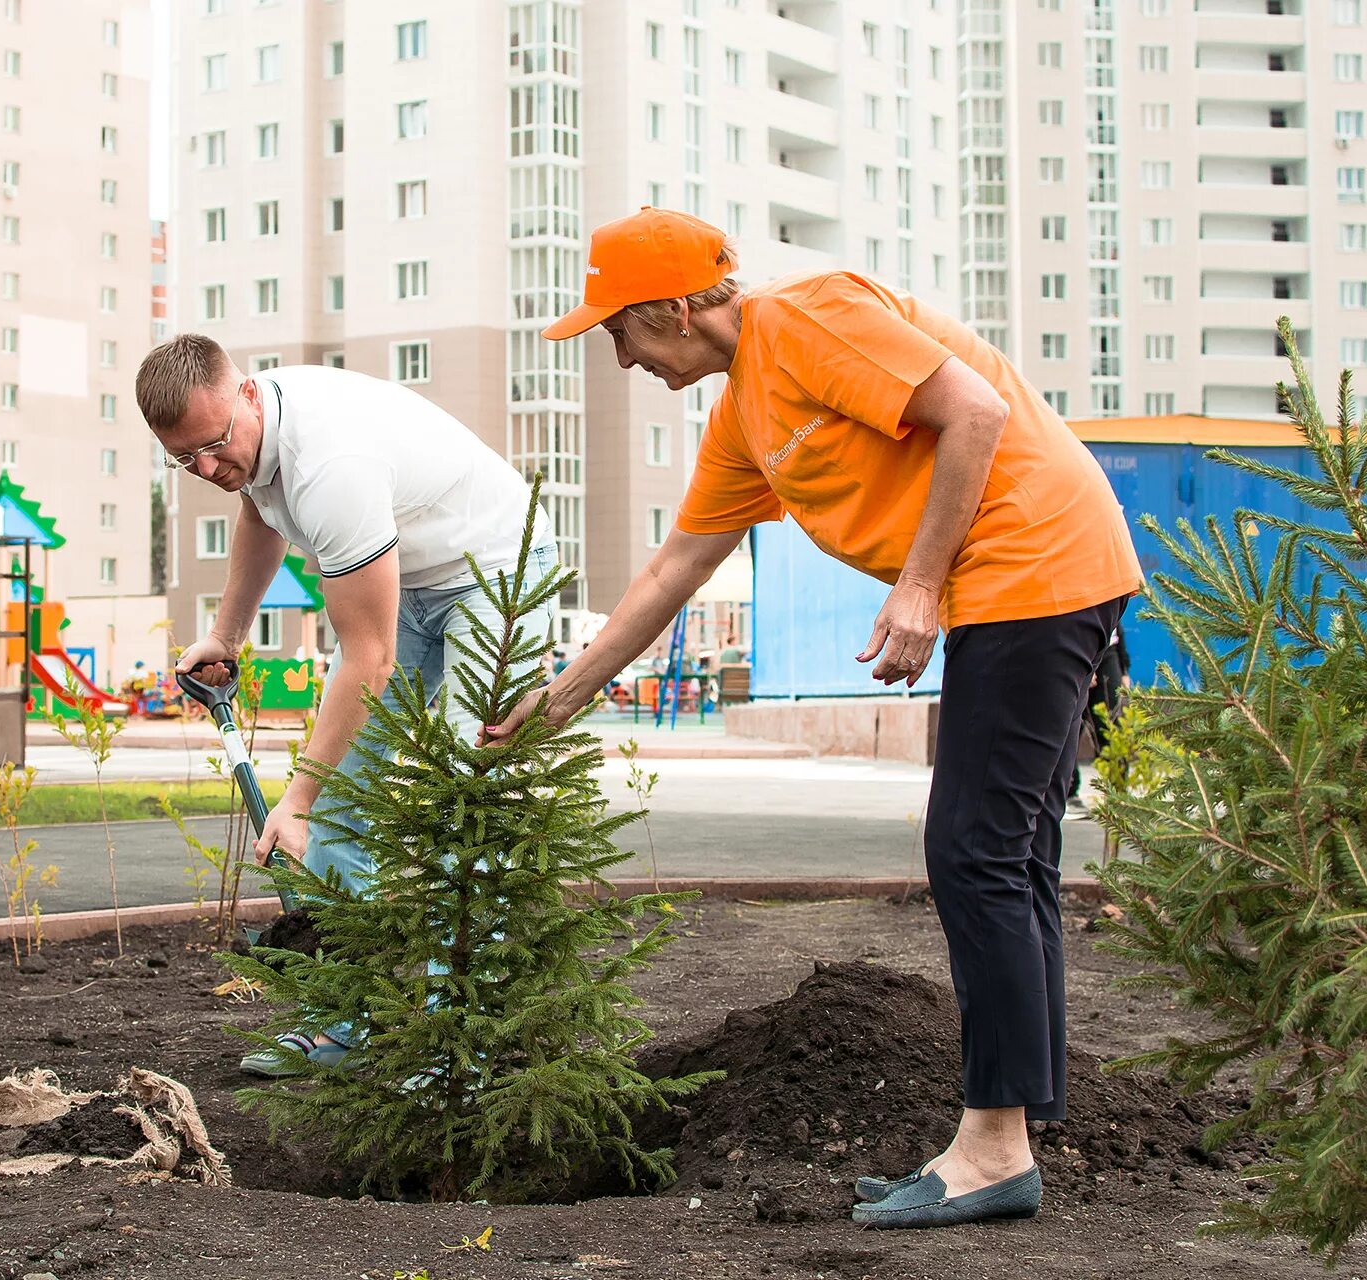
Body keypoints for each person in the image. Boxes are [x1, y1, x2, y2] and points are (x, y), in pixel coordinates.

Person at [482, 208, 1142, 1229]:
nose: (617, 358)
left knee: (975, 850)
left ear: (671, 307)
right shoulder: (745, 411)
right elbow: (674, 568)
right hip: (1029, 579)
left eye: (618, 332)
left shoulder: (805, 319)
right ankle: (1009, 1133)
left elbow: (974, 412)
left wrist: (918, 586)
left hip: (1034, 564)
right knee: (1008, 853)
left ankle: (996, 1146)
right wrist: (561, 698)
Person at [135, 334, 558, 1075]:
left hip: (494, 574)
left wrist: (295, 798)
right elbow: (260, 516)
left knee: (465, 792)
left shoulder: (332, 466)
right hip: (415, 577)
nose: (205, 468)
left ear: (247, 396)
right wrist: (226, 635)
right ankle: (345, 1025)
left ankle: (463, 1045)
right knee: (341, 808)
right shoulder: (251, 439)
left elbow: (370, 658)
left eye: (213, 445)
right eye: (183, 458)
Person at [1064, 620, 1130, 819]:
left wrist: (1124, 668)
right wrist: (1086, 664)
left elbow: (1118, 620)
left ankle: (1118, 794)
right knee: (1071, 727)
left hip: (1108, 652)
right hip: (1080, 651)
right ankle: (1068, 794)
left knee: (1112, 725)